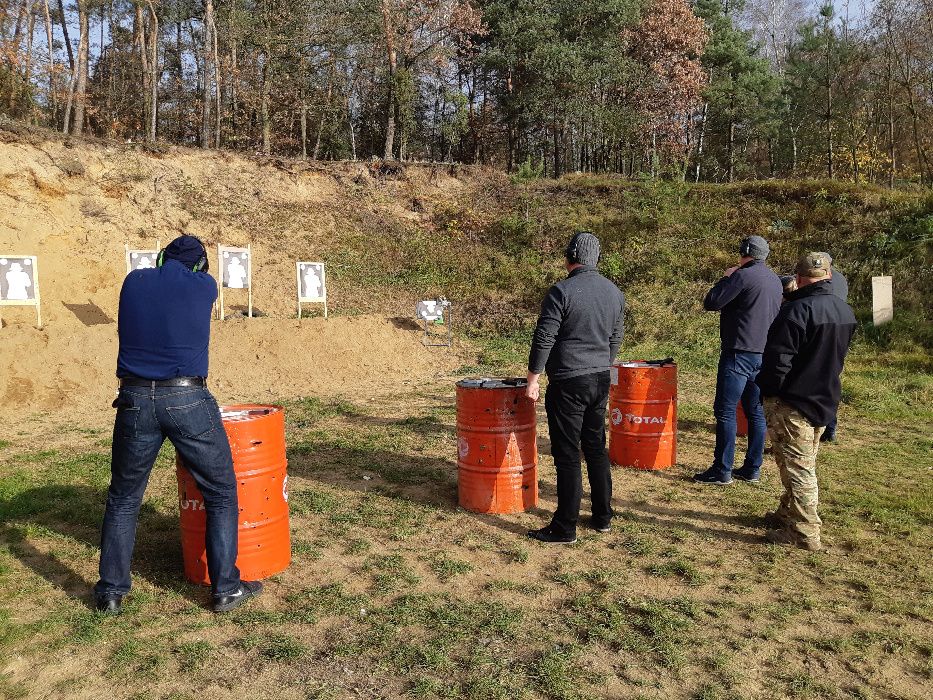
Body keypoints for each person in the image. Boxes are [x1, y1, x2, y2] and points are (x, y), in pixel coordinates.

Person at [95, 235, 262, 614]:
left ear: (158, 257)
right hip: (187, 397)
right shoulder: (204, 285)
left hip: (134, 398)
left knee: (123, 498)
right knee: (220, 492)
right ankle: (225, 589)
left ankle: (111, 591)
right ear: (200, 266)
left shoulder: (132, 281)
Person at [525, 231, 625, 544]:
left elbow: (544, 337)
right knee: (595, 448)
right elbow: (616, 337)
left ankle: (565, 526)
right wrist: (601, 362)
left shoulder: (561, 291)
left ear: (570, 257)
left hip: (569, 381)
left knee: (567, 454)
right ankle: (602, 516)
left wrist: (533, 379)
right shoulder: (614, 292)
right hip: (599, 379)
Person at [757, 252, 856, 551]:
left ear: (798, 279)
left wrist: (772, 393)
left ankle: (804, 532)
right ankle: (787, 513)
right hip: (824, 398)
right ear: (828, 276)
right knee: (797, 459)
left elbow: (777, 361)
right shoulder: (844, 311)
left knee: (799, 469)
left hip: (793, 401)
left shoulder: (796, 311)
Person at [694, 235, 783, 485]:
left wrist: (727, 276)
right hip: (763, 355)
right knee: (755, 411)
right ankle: (752, 468)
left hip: (738, 353)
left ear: (745, 252)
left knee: (725, 411)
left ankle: (722, 470)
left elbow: (712, 302)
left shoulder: (742, 276)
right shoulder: (775, 280)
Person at [820, 252, 848, 442]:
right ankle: (830, 427)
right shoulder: (841, 279)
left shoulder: (825, 281)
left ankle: (825, 426)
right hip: (840, 332)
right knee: (831, 380)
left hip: (823, 332)